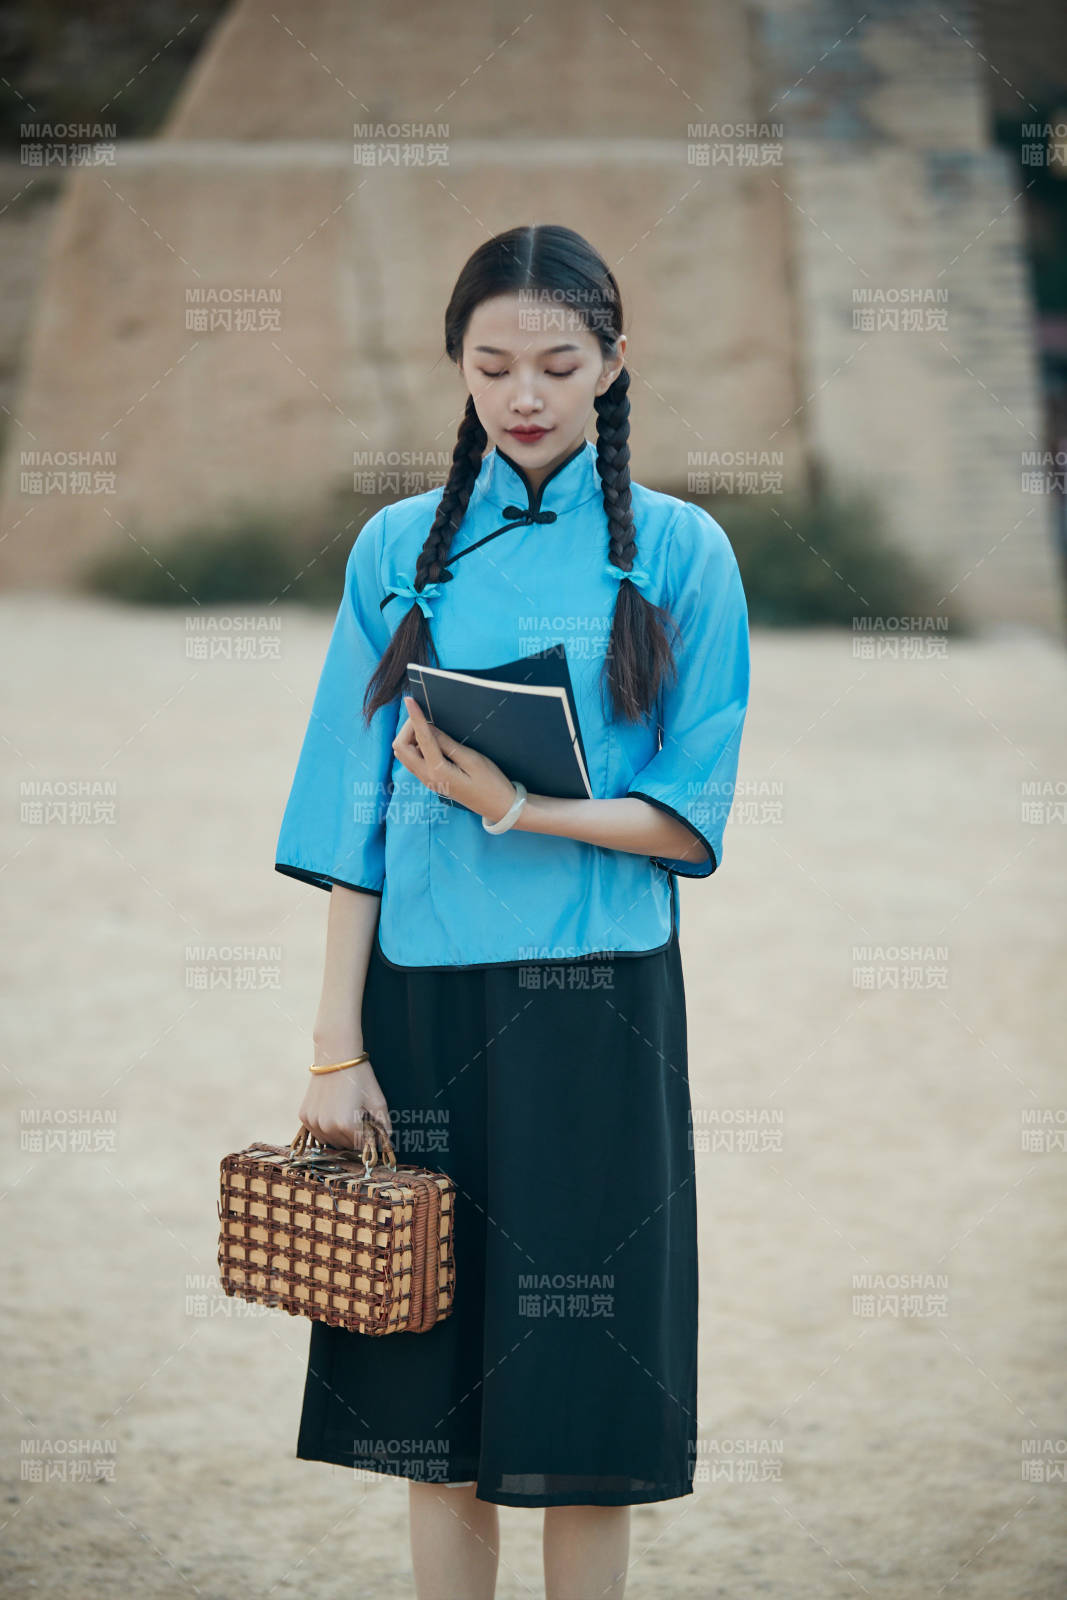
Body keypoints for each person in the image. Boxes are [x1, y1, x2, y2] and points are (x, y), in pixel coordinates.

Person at [273, 223, 751, 1600]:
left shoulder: (683, 550)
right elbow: (346, 814)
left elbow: (689, 811)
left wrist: (514, 806)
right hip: (421, 1000)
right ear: (459, 368)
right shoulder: (392, 551)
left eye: (556, 362)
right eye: (492, 365)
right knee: (436, 1396)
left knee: (583, 1393)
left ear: (612, 364)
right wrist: (332, 1043)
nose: (524, 393)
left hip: (599, 1003)